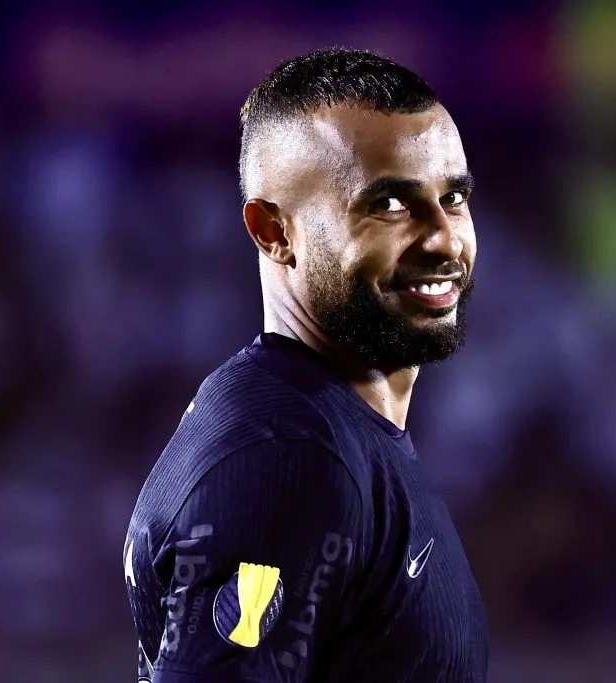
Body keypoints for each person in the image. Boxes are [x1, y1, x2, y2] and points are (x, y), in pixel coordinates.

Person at [123, 48, 488, 682]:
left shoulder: (333, 433)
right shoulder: (289, 456)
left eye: (452, 198)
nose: (442, 237)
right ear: (274, 231)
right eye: (390, 206)